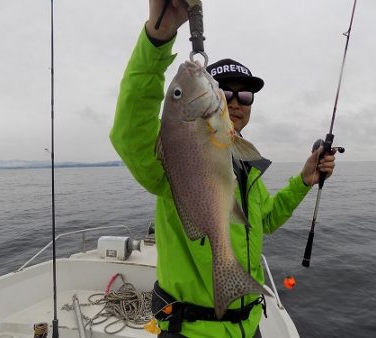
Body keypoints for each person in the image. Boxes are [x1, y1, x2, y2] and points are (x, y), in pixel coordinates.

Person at [110, 1, 336, 337]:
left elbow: (267, 220)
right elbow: (129, 134)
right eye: (225, 91)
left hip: (249, 326)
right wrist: (157, 39)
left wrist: (304, 181)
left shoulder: (244, 165)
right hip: (190, 330)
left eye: (245, 96)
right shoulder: (171, 157)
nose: (235, 100)